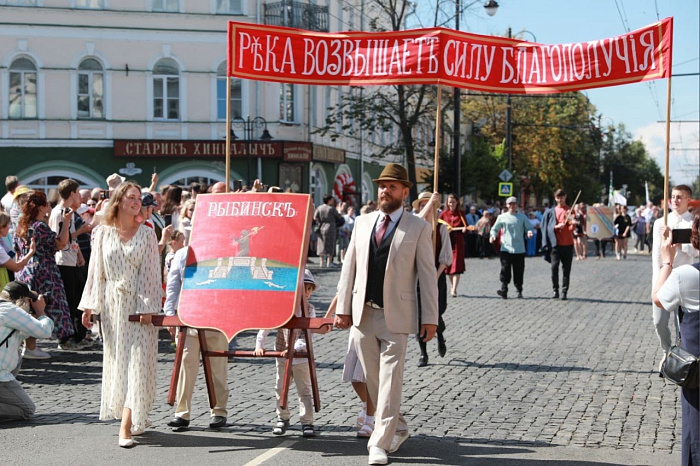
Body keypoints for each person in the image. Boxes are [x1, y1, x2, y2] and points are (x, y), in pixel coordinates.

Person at [334, 163, 438, 465]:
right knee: (374, 381)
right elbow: (348, 268)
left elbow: (427, 276)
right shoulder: (363, 223)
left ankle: (378, 443)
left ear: (405, 192)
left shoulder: (418, 227)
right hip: (363, 314)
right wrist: (343, 309)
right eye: (382, 185)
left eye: (392, 186)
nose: (385, 191)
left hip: (398, 316)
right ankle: (399, 425)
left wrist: (430, 318)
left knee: (391, 380)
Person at [78, 182, 162, 448]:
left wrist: (148, 307)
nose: (137, 201)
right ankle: (133, 416)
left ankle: (125, 427)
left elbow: (151, 272)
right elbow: (96, 271)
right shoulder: (103, 232)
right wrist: (90, 305)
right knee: (119, 363)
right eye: (132, 197)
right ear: (118, 200)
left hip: (138, 307)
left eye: (139, 197)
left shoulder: (147, 233)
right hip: (113, 307)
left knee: (138, 364)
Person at [255, 269, 328, 437]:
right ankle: (283, 417)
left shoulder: (310, 310)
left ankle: (307, 421)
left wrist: (293, 348)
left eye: (310, 289)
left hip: (301, 358)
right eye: (305, 288)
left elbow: (306, 336)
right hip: (282, 355)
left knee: (304, 389)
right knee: (280, 387)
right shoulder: (282, 308)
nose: (308, 292)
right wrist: (260, 344)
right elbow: (267, 325)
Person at [652, 215, 699, 466]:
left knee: (695, 427)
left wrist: (667, 260)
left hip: (696, 366)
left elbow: (658, 298)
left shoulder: (685, 275)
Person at [14, 191, 75, 359]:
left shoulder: (21, 225)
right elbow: (61, 244)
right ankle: (31, 348)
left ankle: (29, 346)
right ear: (41, 207)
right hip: (43, 271)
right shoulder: (40, 227)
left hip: (25, 270)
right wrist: (67, 222)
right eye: (46, 204)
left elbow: (17, 252)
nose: (48, 206)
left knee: (28, 309)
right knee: (43, 307)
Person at [651, 185, 698, 370]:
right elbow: (656, 255)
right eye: (673, 197)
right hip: (663, 278)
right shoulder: (661, 223)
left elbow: (696, 250)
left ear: (688, 200)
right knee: (659, 321)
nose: (675, 200)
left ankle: (681, 356)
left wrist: (681, 245)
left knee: (682, 324)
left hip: (685, 281)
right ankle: (666, 349)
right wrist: (657, 278)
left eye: (679, 197)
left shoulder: (694, 223)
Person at [49, 179, 94, 350]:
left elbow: (71, 237)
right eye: (78, 192)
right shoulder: (58, 213)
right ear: (72, 193)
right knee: (70, 299)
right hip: (62, 261)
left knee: (78, 298)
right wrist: (81, 231)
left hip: (72, 259)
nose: (80, 197)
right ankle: (67, 338)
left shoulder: (71, 212)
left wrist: (79, 255)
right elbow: (59, 239)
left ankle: (78, 334)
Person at [0, 281, 53, 421]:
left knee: (16, 353)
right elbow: (44, 331)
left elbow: (20, 334)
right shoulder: (10, 310)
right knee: (27, 409)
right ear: (22, 300)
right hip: (1, 376)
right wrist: (41, 312)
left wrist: (31, 316)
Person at [412, 192, 451, 366]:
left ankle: (439, 334)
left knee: (437, 311)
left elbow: (446, 256)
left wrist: (434, 276)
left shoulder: (441, 228)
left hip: (437, 276)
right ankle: (423, 354)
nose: (425, 208)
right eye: (422, 205)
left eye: (428, 204)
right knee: (419, 315)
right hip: (416, 278)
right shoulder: (413, 227)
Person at [489, 197, 534, 299]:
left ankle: (519, 289)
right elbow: (494, 229)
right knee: (505, 269)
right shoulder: (502, 217)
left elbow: (529, 228)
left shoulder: (522, 217)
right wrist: (493, 236)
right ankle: (504, 289)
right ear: (507, 205)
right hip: (506, 248)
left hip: (519, 249)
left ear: (516, 205)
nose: (512, 206)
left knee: (519, 270)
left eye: (514, 204)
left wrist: (529, 232)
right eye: (510, 204)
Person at [541, 189, 575, 300]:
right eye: (558, 197)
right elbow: (545, 227)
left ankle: (564, 291)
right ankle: (555, 290)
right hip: (555, 244)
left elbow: (571, 227)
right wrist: (556, 226)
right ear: (555, 198)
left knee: (566, 269)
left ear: (565, 197)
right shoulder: (551, 212)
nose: (560, 199)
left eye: (562, 197)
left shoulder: (569, 210)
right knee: (554, 267)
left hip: (568, 244)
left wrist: (572, 224)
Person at [439, 194, 467, 297]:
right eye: (449, 202)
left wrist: (465, 230)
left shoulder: (461, 214)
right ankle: (452, 285)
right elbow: (439, 226)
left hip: (458, 242)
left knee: (457, 265)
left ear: (457, 203)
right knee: (449, 265)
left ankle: (454, 288)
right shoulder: (443, 214)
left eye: (453, 202)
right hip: (447, 241)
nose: (451, 204)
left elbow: (465, 227)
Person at [314, 194, 343, 268]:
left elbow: (315, 217)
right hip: (330, 227)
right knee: (330, 244)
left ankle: (321, 261)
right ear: (329, 200)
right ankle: (329, 262)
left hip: (321, 227)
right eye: (332, 200)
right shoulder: (331, 209)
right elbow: (338, 216)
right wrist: (340, 210)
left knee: (321, 244)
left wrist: (321, 220)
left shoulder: (319, 208)